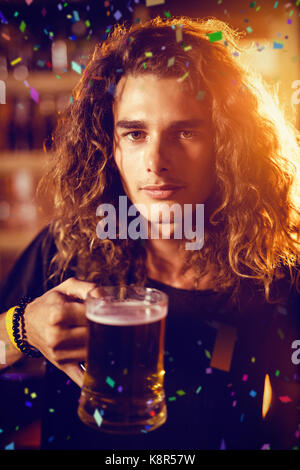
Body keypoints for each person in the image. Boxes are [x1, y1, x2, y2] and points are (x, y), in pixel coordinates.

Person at [0, 16, 299, 450]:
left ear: (228, 145)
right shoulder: (66, 246)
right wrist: (19, 329)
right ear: (110, 146)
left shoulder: (276, 277)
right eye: (136, 134)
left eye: (186, 132)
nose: (156, 161)